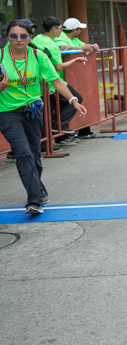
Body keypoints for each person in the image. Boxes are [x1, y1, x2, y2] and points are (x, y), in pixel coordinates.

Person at [0, 20, 87, 214]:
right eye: (13, 35)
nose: (18, 39)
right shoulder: (0, 57)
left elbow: (55, 80)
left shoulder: (38, 56)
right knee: (22, 152)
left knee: (33, 153)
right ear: (7, 37)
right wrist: (2, 87)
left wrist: (73, 100)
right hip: (6, 112)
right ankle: (35, 201)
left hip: (33, 109)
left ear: (30, 37)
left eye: (23, 36)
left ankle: (37, 187)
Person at [30, 17, 88, 144]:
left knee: (51, 111)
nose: (62, 31)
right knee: (75, 98)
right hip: (51, 82)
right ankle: (58, 127)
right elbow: (58, 67)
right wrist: (75, 60)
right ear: (54, 29)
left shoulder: (37, 39)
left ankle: (58, 134)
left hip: (38, 82)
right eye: (61, 29)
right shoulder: (52, 45)